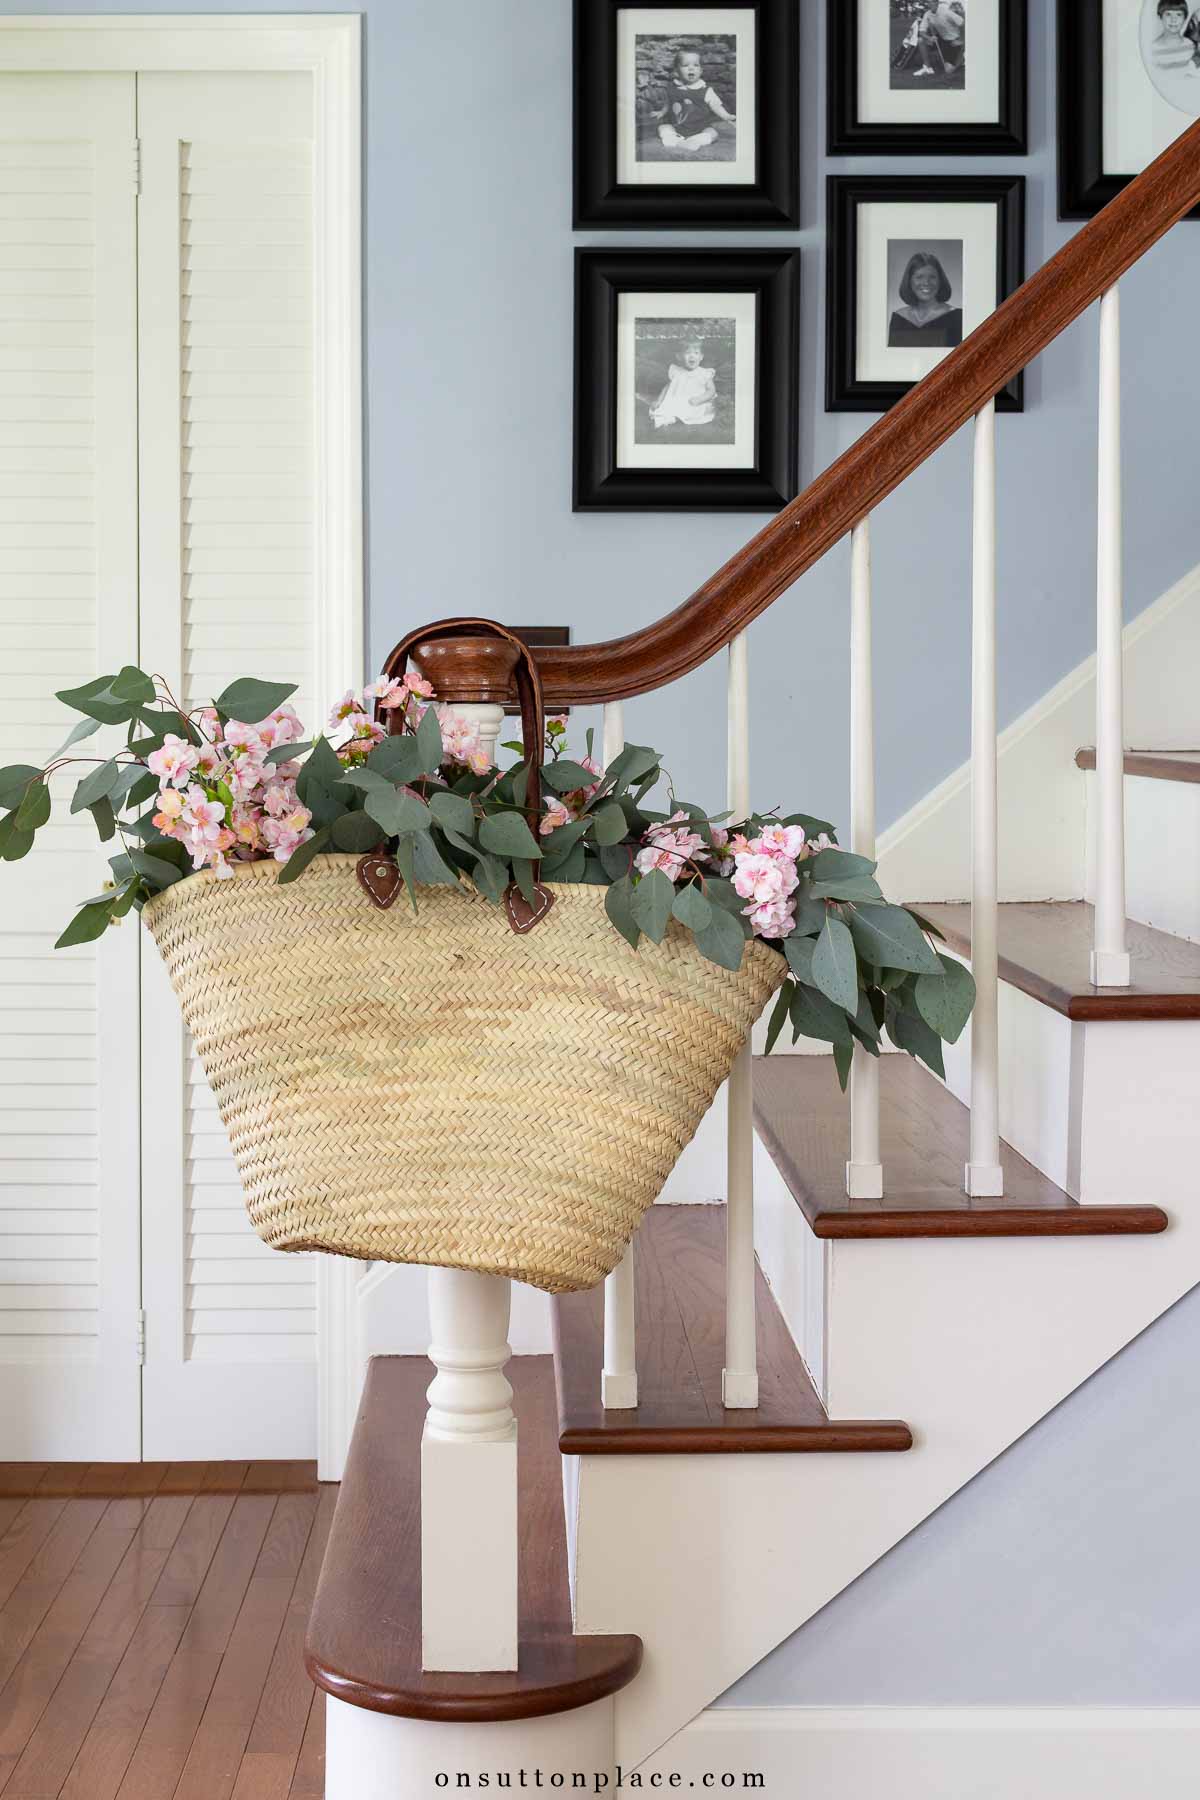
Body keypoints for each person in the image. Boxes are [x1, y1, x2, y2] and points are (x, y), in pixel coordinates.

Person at [655, 46, 736, 152]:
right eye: (685, 65)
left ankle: (694, 141)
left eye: (696, 65)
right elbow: (668, 102)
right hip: (676, 127)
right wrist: (661, 112)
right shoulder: (672, 88)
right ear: (677, 70)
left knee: (713, 133)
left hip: (700, 128)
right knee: (663, 128)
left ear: (701, 70)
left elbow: (716, 105)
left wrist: (726, 115)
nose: (691, 68)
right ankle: (678, 141)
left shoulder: (706, 90)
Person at [887, 253, 963, 349]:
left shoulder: (957, 317)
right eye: (919, 277)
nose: (926, 282)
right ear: (909, 281)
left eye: (932, 277)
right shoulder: (898, 318)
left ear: (940, 281)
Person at [649, 338, 717, 429]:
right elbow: (667, 387)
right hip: (678, 399)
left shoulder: (704, 373)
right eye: (688, 353)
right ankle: (669, 417)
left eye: (696, 353)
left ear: (701, 357)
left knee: (693, 411)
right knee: (664, 408)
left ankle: (672, 418)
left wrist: (700, 399)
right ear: (679, 356)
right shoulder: (676, 371)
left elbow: (711, 390)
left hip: (694, 402)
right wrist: (659, 400)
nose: (692, 356)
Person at [913, 1, 966, 79]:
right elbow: (921, 31)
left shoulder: (946, 12)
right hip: (943, 40)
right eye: (928, 2)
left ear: (937, 3)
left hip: (954, 40)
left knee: (949, 70)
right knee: (921, 40)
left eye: (932, 2)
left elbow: (963, 23)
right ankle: (927, 68)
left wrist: (961, 40)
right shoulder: (927, 14)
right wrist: (929, 38)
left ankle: (961, 59)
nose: (929, 4)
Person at [1151, 0, 1200, 70]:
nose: (1173, 19)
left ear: (1185, 18)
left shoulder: (1190, 46)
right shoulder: (1152, 49)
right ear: (1160, 17)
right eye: (1168, 14)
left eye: (1178, 15)